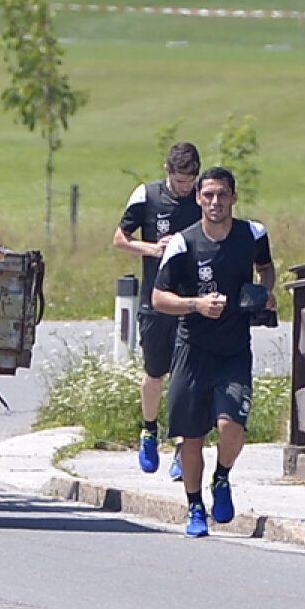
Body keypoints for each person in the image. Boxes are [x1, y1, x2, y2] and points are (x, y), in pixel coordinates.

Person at [152, 167, 276, 537]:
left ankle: (221, 477)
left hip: (234, 351)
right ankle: (194, 508)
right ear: (198, 199)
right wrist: (196, 304)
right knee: (192, 438)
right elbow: (158, 298)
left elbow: (266, 268)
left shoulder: (253, 234)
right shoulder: (183, 244)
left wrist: (264, 292)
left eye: (222, 194)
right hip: (192, 350)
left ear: (233, 197)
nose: (215, 202)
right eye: (208, 195)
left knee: (231, 426)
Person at [113, 142, 202, 479]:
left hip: (191, 302)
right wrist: (152, 249)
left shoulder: (203, 198)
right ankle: (149, 430)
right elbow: (120, 238)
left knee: (186, 376)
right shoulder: (147, 196)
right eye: (179, 182)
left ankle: (182, 445)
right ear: (168, 172)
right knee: (155, 373)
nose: (185, 188)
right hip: (155, 301)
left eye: (190, 181)